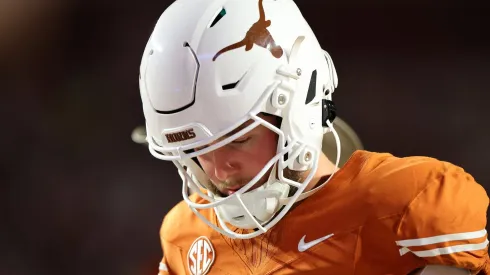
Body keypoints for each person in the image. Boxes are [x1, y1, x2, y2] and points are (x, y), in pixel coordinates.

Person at [137, 0, 490, 274]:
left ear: (300, 107)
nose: (216, 170)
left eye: (238, 138)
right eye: (197, 149)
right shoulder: (183, 238)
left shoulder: (409, 206)